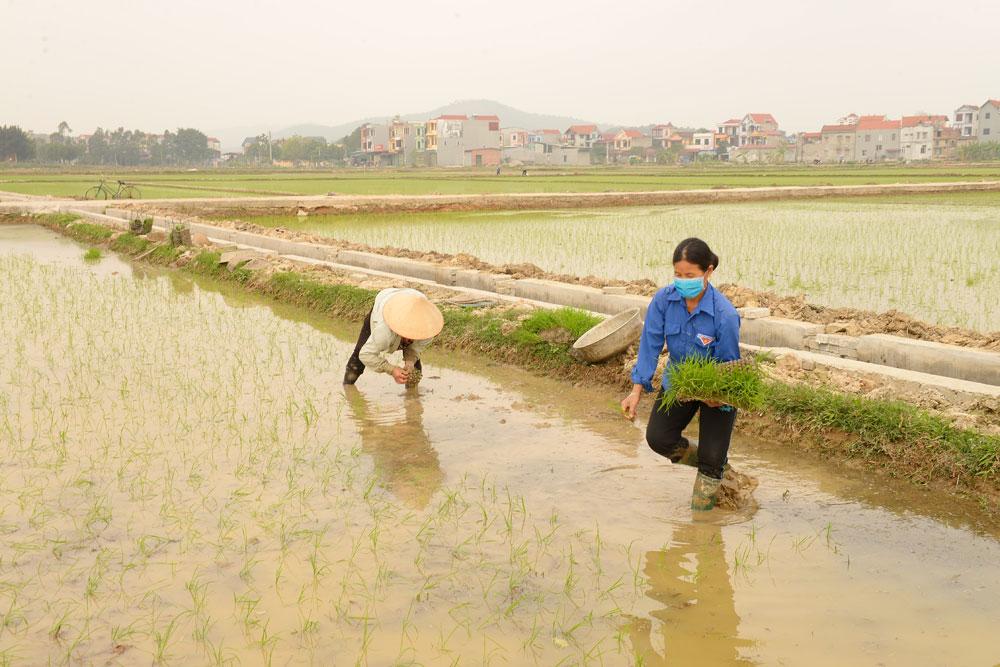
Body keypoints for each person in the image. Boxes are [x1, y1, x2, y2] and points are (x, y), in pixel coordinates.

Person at [620, 238, 741, 511]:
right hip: (679, 380)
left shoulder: (725, 315)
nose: (682, 281)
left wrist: (717, 396)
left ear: (708, 272)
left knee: (701, 501)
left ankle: (712, 476)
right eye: (677, 274)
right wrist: (636, 390)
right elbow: (650, 344)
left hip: (717, 391)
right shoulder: (664, 300)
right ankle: (718, 464)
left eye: (690, 275)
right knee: (658, 439)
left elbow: (730, 367)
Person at [343, 288, 444, 385]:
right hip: (387, 301)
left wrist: (410, 363)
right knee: (359, 352)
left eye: (415, 336)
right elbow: (365, 354)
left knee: (414, 365)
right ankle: (348, 387)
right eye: (408, 335)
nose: (411, 339)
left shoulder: (428, 331)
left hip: (415, 302)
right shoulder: (384, 331)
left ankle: (412, 396)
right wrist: (391, 369)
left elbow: (415, 349)